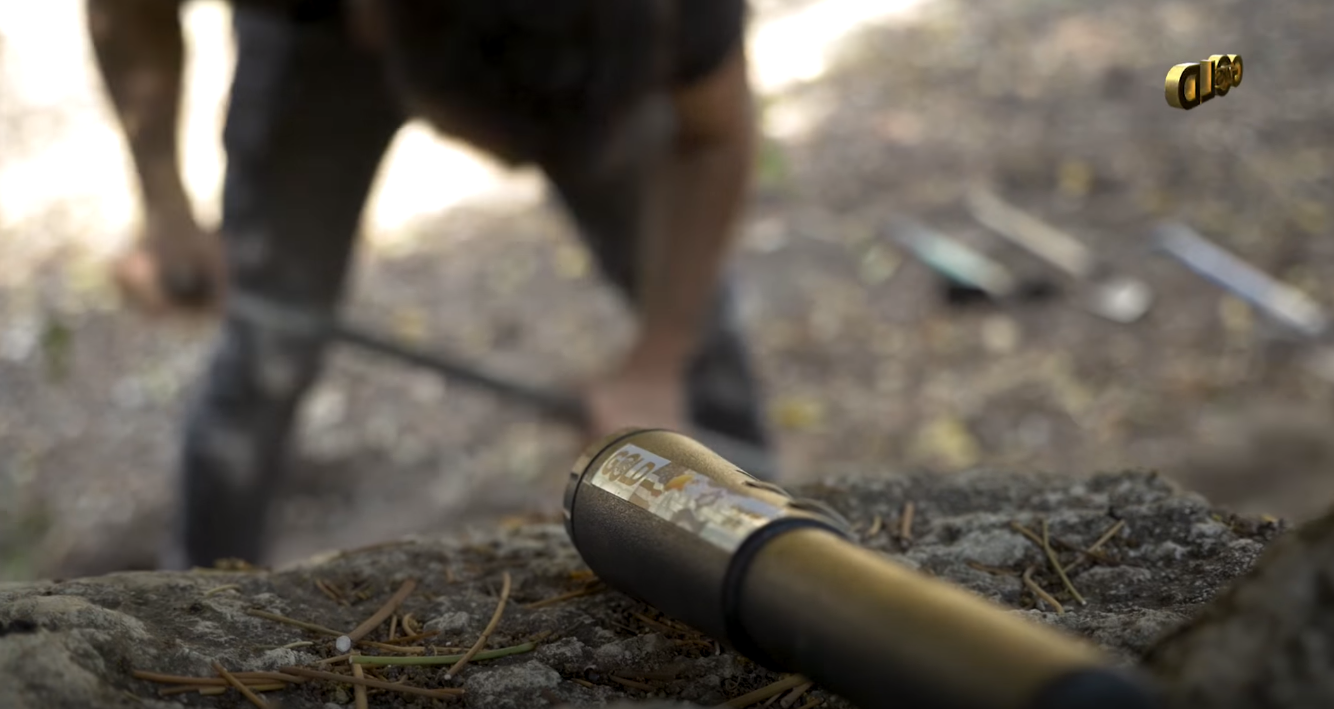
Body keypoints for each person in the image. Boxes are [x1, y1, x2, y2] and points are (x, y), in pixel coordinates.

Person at [85, 0, 776, 569]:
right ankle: (198, 588)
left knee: (690, 325)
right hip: (318, 41)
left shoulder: (672, 15)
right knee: (270, 339)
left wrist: (660, 359)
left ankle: (772, 547)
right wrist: (165, 207)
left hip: (585, 41)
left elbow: (713, 135)